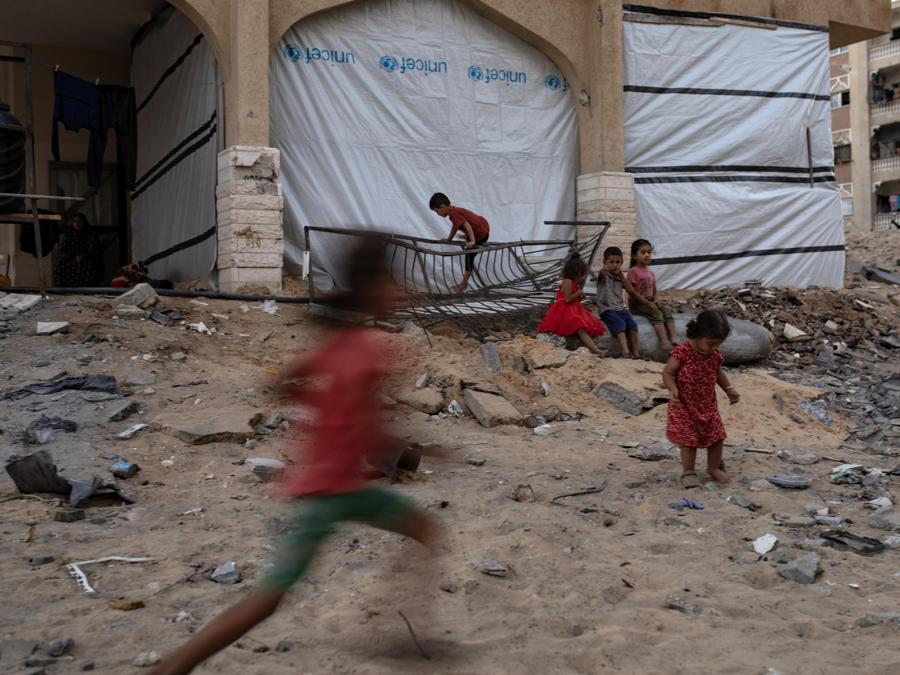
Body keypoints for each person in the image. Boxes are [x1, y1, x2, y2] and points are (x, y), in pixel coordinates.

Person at [148, 234, 439, 675]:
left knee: (421, 530)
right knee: (269, 596)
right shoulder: (370, 349)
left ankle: (396, 635)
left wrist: (324, 413)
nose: (401, 292)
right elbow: (374, 431)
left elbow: (284, 381)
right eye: (395, 282)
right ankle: (171, 667)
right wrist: (422, 451)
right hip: (333, 491)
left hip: (330, 483)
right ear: (374, 285)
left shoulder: (340, 343)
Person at [662, 309, 740, 488]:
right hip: (684, 405)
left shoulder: (714, 354)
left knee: (717, 436)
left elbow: (718, 372)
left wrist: (729, 389)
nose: (714, 348)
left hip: (707, 405)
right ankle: (688, 471)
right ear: (698, 335)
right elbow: (668, 372)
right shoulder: (682, 352)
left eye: (718, 344)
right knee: (688, 439)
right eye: (711, 343)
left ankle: (713, 468)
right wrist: (672, 388)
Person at [536, 252, 606, 356]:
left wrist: (579, 296)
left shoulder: (573, 283)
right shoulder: (568, 281)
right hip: (565, 310)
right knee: (581, 328)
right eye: (582, 275)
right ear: (576, 273)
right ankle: (596, 350)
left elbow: (572, 298)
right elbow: (567, 299)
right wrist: (577, 293)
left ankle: (595, 349)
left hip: (572, 308)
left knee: (583, 327)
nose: (583, 278)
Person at [429, 192, 490, 292]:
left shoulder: (453, 214)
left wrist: (472, 241)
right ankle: (464, 283)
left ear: (442, 207)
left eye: (437, 212)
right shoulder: (454, 211)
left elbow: (467, 225)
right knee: (468, 248)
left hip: (481, 234)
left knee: (468, 256)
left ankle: (463, 284)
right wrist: (449, 239)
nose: (438, 215)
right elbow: (455, 227)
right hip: (483, 228)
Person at [626, 239, 677, 353]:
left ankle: (674, 337)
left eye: (649, 252)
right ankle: (664, 341)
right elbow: (632, 293)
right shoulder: (633, 272)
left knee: (666, 310)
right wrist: (647, 303)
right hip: (637, 304)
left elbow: (655, 291)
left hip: (650, 301)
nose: (647, 255)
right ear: (634, 256)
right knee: (656, 313)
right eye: (643, 252)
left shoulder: (650, 273)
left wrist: (656, 300)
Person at [595, 246, 641, 359]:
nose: (615, 265)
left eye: (618, 262)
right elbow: (600, 275)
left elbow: (630, 290)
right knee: (620, 323)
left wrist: (621, 275)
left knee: (632, 324)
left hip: (620, 308)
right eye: (611, 262)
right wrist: (604, 270)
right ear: (604, 262)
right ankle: (625, 352)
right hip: (606, 308)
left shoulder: (620, 276)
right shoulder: (603, 274)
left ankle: (636, 353)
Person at [53, 213, 103, 287]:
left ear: (84, 222)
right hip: (72, 260)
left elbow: (94, 250)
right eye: (74, 221)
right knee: (60, 262)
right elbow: (62, 251)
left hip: (86, 259)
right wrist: (73, 258)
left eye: (79, 221)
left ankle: (87, 289)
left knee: (93, 263)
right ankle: (64, 288)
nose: (77, 224)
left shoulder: (90, 235)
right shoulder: (69, 235)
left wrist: (82, 257)